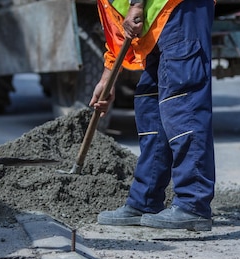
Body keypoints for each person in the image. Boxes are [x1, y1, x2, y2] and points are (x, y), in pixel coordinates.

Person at [92, 0, 216, 232]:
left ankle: (193, 203)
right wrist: (108, 76)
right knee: (150, 104)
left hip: (179, 8)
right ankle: (145, 200)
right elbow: (116, 22)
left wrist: (137, 5)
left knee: (182, 100)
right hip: (156, 21)